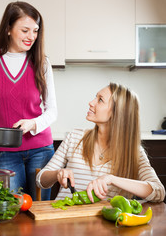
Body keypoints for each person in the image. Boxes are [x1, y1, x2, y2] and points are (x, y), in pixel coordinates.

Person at [0, 1, 57, 201]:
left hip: (41, 149)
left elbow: (52, 111)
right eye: (25, 30)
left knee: (39, 208)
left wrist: (33, 123)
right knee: (12, 209)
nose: (31, 37)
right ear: (8, 28)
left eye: (35, 31)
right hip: (6, 151)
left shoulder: (42, 63)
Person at [36, 82, 165, 202]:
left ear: (117, 113)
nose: (91, 103)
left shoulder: (133, 152)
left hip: (105, 225)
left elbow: (159, 191)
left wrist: (112, 179)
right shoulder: (74, 137)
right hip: (63, 219)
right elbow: (40, 180)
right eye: (95, 97)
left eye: (100, 100)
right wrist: (57, 174)